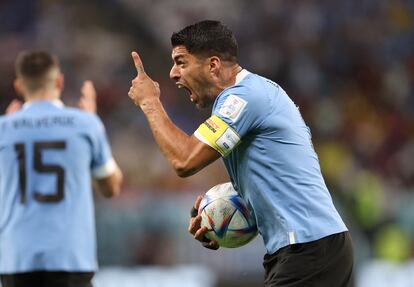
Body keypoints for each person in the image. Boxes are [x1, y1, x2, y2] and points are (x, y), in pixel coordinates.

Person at [128, 20, 353, 286]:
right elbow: (280, 182)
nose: (173, 74)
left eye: (181, 62)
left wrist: (150, 102)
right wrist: (218, 218)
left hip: (309, 249)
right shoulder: (254, 94)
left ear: (213, 65)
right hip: (310, 248)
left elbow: (184, 160)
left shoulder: (243, 98)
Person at [0, 51, 123, 287]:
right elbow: (111, 188)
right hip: (70, 257)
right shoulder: (85, 124)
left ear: (18, 86)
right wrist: (95, 126)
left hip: (17, 259)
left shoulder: (4, 129)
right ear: (59, 81)